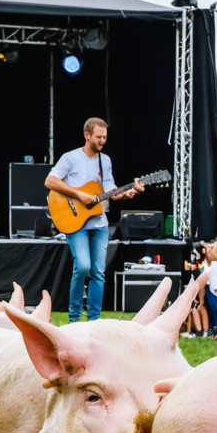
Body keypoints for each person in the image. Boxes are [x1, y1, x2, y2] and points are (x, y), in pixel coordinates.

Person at [44, 117, 142, 322]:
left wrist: (125, 193)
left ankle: (94, 321)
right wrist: (78, 194)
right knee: (83, 266)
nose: (102, 140)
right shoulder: (70, 158)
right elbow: (50, 181)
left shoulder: (105, 160)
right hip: (74, 221)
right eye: (98, 136)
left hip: (99, 222)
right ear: (87, 135)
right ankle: (74, 319)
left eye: (104, 137)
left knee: (98, 271)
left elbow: (109, 190)